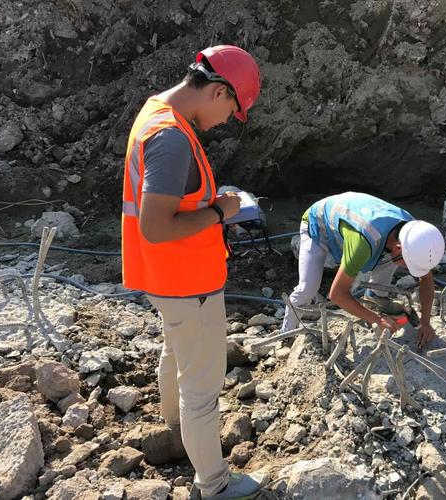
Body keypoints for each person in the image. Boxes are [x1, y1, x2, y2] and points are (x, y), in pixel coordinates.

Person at [121, 45, 268, 499]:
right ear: (219, 90)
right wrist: (221, 212)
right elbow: (157, 226)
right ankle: (215, 484)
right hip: (188, 283)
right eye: (232, 109)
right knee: (202, 386)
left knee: (174, 353)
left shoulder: (156, 112)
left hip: (166, 281)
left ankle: (175, 430)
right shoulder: (170, 137)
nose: (227, 120)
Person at [282, 192, 446, 349]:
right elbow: (337, 294)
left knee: (393, 259)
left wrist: (425, 322)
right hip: (318, 222)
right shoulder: (363, 243)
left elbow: (426, 278)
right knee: (308, 288)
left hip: (360, 218)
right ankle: (286, 335)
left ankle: (375, 296)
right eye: (409, 263)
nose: (408, 268)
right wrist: (377, 320)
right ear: (398, 247)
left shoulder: (414, 233)